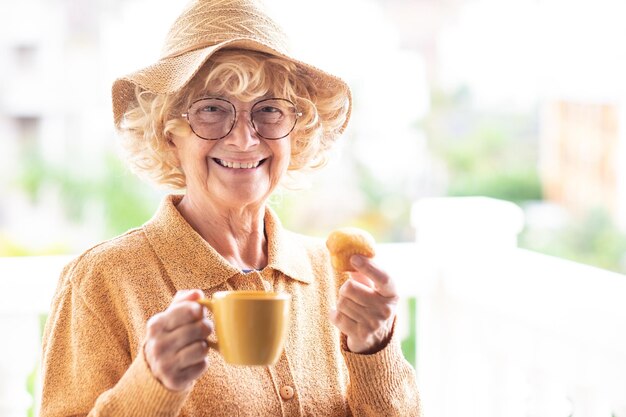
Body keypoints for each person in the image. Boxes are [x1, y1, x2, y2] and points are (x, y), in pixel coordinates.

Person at [40, 0, 422, 415]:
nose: (243, 139)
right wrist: (151, 384)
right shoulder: (102, 281)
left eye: (270, 111)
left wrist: (374, 346)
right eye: (211, 110)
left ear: (298, 134)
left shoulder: (330, 274)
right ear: (169, 134)